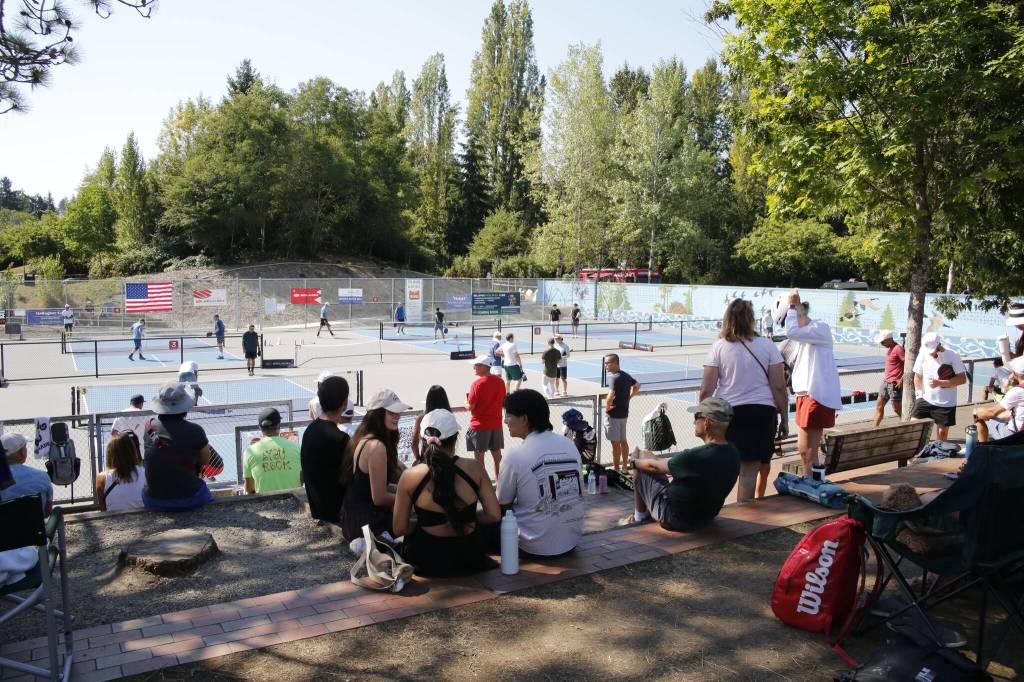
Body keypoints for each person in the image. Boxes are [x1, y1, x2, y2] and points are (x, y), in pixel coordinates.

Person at [698, 299, 788, 502]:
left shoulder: (718, 347)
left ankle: (712, 513)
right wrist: (784, 417)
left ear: (727, 319)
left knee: (722, 468)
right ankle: (745, 520)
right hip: (761, 413)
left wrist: (701, 416)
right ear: (751, 320)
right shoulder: (767, 346)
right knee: (749, 473)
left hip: (728, 414)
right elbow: (779, 386)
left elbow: (706, 390)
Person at [393, 409, 500, 577]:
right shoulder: (475, 468)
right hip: (470, 556)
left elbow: (399, 528)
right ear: (456, 438)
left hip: (427, 560)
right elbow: (494, 515)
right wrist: (464, 518)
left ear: (423, 440)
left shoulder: (410, 476)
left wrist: (423, 521)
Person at [625, 397, 741, 531]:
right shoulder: (733, 454)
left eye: (697, 416)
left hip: (672, 515)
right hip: (704, 517)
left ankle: (639, 518)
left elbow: (654, 467)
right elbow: (662, 464)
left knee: (640, 461)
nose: (694, 421)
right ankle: (641, 514)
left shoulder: (697, 456)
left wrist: (633, 462)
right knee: (645, 455)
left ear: (707, 422)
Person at [497, 389, 584, 557]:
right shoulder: (568, 445)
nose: (506, 421)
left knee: (485, 520)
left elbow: (502, 504)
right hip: (571, 541)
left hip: (532, 546)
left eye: (508, 415)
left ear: (524, 419)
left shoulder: (514, 455)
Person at [784, 290, 842, 477]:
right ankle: (811, 481)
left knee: (810, 452)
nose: (791, 319)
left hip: (816, 395)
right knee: (803, 451)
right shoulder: (805, 337)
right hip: (804, 395)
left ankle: (816, 483)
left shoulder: (820, 328)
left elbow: (791, 331)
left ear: (801, 313)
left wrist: (792, 305)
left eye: (793, 316)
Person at [341, 389, 411, 543]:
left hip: (354, 518)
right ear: (378, 414)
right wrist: (410, 499)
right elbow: (379, 498)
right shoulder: (376, 447)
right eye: (392, 412)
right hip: (368, 525)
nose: (397, 416)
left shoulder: (364, 438)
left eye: (398, 412)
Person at [141, 383, 214, 511]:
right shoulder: (195, 431)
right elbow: (205, 460)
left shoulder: (149, 428)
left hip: (154, 500)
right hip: (189, 499)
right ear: (184, 408)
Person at [300, 376, 351, 524]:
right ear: (344, 403)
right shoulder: (340, 439)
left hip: (318, 508)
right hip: (336, 511)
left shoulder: (310, 430)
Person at [912, 332, 966, 442]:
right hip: (925, 399)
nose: (930, 354)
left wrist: (939, 383)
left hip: (946, 402)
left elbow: (962, 379)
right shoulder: (923, 354)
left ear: (939, 346)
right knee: (913, 428)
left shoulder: (952, 356)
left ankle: (939, 455)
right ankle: (911, 458)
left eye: (932, 351)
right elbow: (917, 376)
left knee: (942, 434)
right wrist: (919, 396)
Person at [244, 408, 302, 494]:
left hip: (266, 504)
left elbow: (249, 488)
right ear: (279, 426)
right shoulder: (296, 447)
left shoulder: (249, 452)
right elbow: (303, 479)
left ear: (260, 427)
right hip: (294, 502)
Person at [466, 355, 506, 478]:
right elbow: (503, 400)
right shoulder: (500, 381)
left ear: (484, 367)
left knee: (479, 458)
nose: (474, 368)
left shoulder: (477, 384)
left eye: (477, 365)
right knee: (497, 455)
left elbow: (470, 406)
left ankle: (483, 485)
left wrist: (465, 403)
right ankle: (500, 483)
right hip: (496, 424)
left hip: (480, 425)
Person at [603, 353, 641, 472]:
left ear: (615, 363)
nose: (605, 366)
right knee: (623, 441)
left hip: (613, 416)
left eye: (607, 363)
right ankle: (625, 467)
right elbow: (637, 386)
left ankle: (616, 470)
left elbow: (610, 396)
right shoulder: (626, 376)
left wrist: (607, 407)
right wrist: (630, 397)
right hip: (624, 415)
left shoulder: (614, 378)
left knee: (615, 445)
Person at [0, 433, 53, 515]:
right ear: (22, 452)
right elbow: (47, 511)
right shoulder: (42, 476)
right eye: (25, 447)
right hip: (36, 526)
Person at [973, 357, 1024, 441]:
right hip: (1019, 428)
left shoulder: (1018, 391)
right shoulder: (1006, 370)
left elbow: (991, 413)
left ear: (1015, 373)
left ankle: (982, 448)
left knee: (979, 415)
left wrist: (978, 412)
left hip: (1016, 436)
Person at [95, 434, 145, 512]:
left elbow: (103, 510)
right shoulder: (145, 473)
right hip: (144, 521)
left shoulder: (101, 479)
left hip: (114, 522)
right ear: (132, 451)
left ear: (110, 454)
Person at [412, 385, 452, 462]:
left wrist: (418, 458)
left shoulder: (421, 418)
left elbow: (414, 444)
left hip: (426, 460)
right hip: (446, 459)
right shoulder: (449, 418)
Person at [874, 330, 905, 426]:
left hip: (894, 384)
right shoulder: (890, 349)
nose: (881, 343)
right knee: (879, 406)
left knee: (896, 409)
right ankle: (874, 429)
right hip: (885, 383)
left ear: (890, 339)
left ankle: (907, 424)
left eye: (883, 342)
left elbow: (909, 364)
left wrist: (902, 379)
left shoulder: (898, 349)